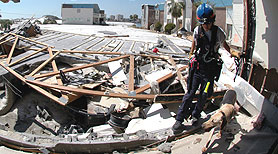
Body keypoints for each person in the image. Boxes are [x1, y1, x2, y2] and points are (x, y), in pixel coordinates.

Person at [172, 3, 241, 134]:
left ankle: (196, 115)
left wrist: (234, 53)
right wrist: (191, 56)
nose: (206, 26)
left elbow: (226, 47)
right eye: (204, 23)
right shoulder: (198, 31)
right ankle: (179, 120)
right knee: (190, 94)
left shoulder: (218, 33)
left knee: (205, 94)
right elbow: (193, 46)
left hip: (209, 71)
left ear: (212, 21)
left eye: (208, 23)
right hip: (198, 69)